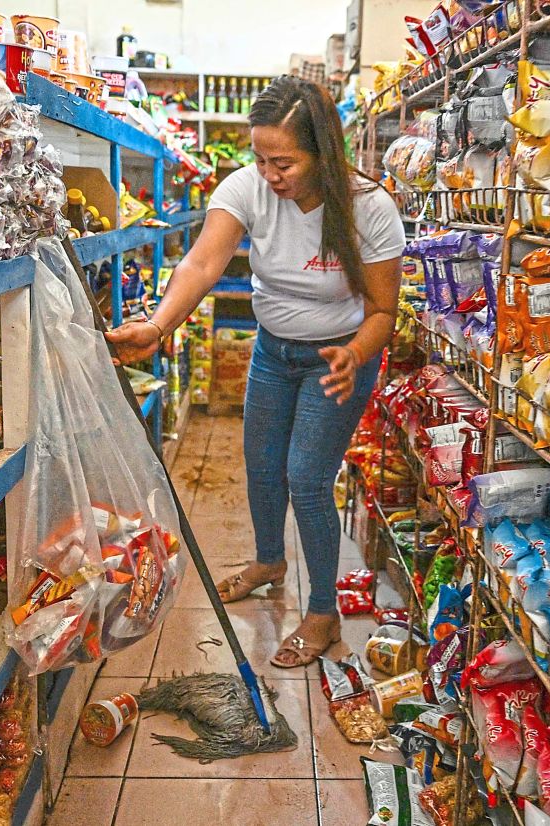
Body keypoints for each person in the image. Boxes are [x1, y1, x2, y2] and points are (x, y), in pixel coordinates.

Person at [106, 75, 405, 668]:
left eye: (284, 163)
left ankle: (322, 612)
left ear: (323, 152)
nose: (270, 175)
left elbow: (382, 311)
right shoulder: (247, 188)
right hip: (272, 352)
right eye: (261, 159)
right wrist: (159, 326)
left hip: (337, 358)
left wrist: (355, 353)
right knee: (263, 467)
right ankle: (270, 562)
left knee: (308, 479)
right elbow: (202, 263)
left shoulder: (370, 206)